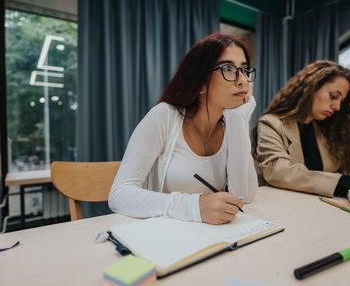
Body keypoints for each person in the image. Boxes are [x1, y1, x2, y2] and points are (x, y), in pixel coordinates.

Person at [108, 33, 258, 225]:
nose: (243, 80)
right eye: (228, 69)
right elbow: (119, 194)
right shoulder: (164, 116)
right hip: (163, 237)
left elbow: (244, 196)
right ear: (201, 83)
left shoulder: (231, 122)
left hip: (209, 236)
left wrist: (238, 119)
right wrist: (194, 206)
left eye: (245, 70)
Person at [252, 60, 350, 197]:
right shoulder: (271, 124)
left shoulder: (327, 131)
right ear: (311, 87)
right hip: (284, 213)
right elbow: (278, 172)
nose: (336, 107)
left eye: (341, 101)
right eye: (334, 96)